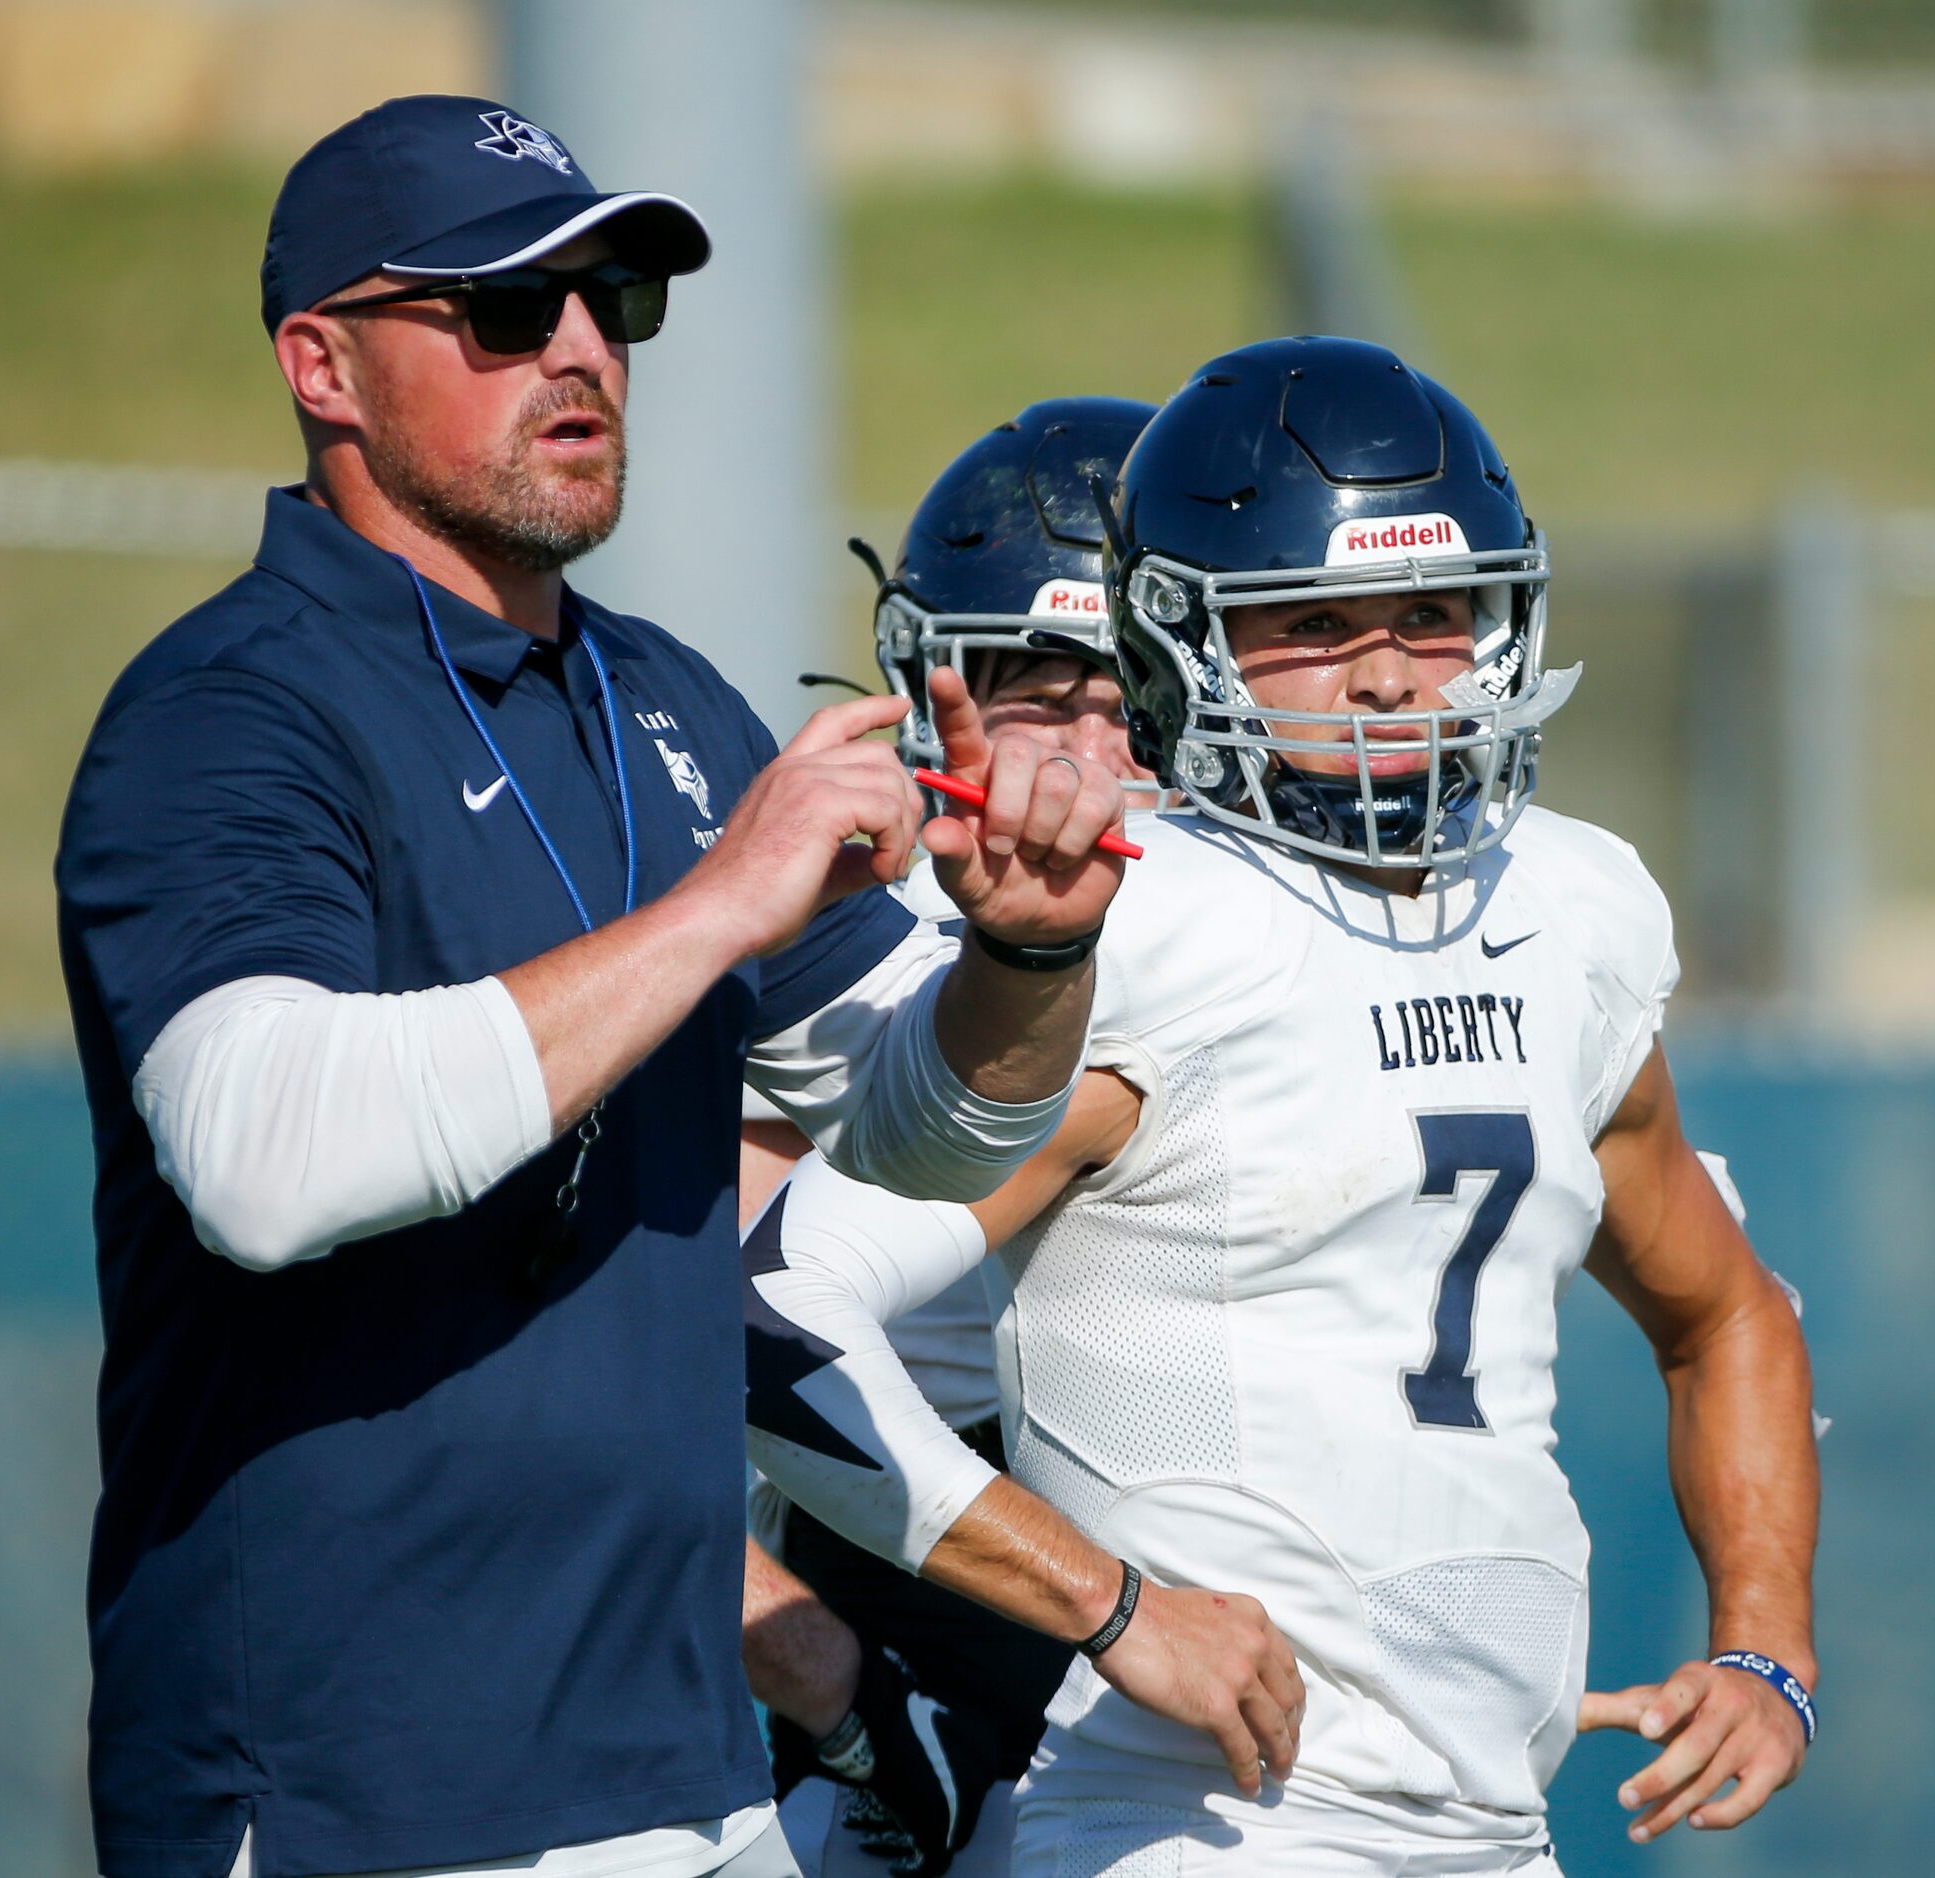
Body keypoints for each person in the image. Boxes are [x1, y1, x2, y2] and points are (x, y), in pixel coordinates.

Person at [53, 93, 1157, 1878]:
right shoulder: (224, 711)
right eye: (501, 308)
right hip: (359, 1798)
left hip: (688, 1773)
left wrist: (1030, 947)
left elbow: (929, 1131)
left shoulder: (669, 702)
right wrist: (721, 904)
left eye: (611, 298)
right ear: (321, 365)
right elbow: (263, 1161)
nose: (577, 347)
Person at [745, 338, 1821, 1875]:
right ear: (1190, 647)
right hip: (1203, 1821)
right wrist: (1112, 1605)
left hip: (1497, 1829)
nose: (1387, 672)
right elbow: (777, 1313)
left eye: (1433, 616)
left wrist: (1769, 1645)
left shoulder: (1572, 905)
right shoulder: (1143, 925)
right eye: (1312, 624)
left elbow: (1727, 1313)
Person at [737, 400, 1162, 1878]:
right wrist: (835, 1681)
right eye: (1044, 692)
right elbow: (675, 1348)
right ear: (937, 684)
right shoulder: (839, 910)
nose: (1094, 746)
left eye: (1139, 691)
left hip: (1195, 1562)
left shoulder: (1255, 917)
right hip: (920, 1583)